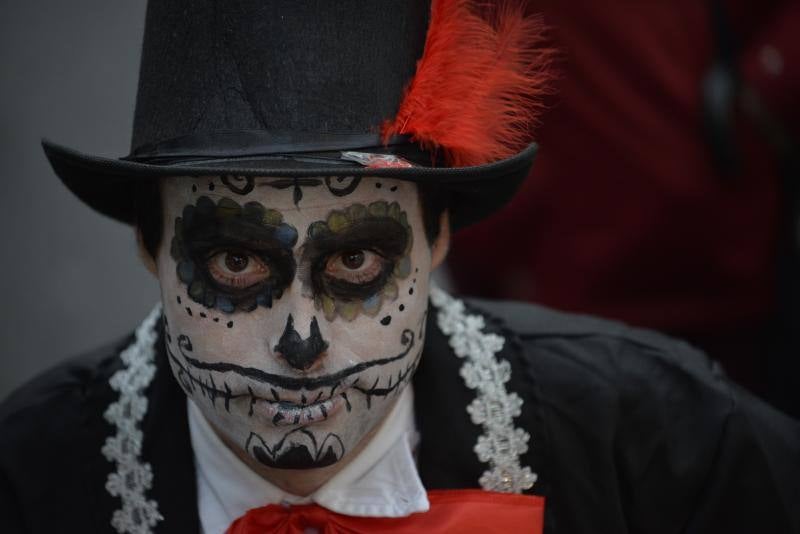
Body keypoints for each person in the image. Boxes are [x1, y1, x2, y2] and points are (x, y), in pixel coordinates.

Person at [1, 1, 798, 533]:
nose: (301, 343)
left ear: (437, 238)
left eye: (355, 258)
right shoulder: (31, 478)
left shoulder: (656, 438)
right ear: (149, 245)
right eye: (236, 260)